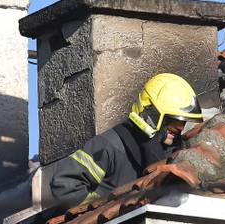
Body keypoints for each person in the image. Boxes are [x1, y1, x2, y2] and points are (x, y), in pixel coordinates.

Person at [50, 73, 202, 210]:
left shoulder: (173, 153)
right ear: (152, 114)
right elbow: (64, 185)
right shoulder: (109, 145)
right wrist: (104, 208)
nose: (180, 127)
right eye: (174, 121)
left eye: (183, 122)